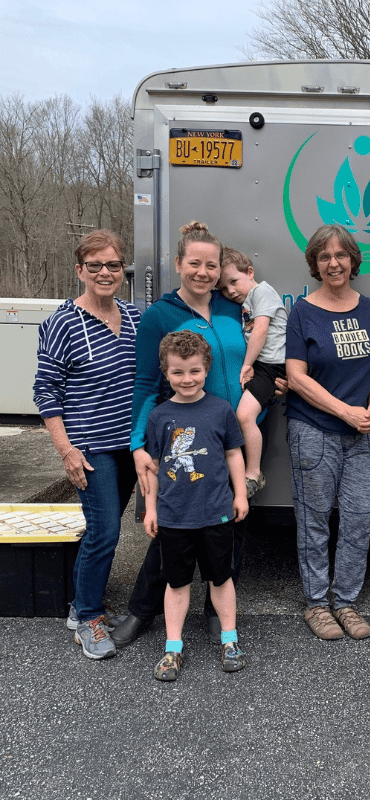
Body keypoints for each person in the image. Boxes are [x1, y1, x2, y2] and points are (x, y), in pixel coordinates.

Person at [112, 221, 249, 648]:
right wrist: (138, 443)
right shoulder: (159, 316)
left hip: (229, 432)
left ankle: (216, 615)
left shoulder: (230, 308)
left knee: (227, 529)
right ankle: (142, 610)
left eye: (211, 265)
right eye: (194, 263)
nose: (203, 272)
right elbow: (145, 383)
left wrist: (265, 387)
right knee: (172, 533)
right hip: (180, 438)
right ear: (178, 264)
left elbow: (254, 354)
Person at [33, 229, 140, 660]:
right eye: (94, 266)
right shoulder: (61, 322)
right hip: (90, 447)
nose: (104, 273)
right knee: (105, 531)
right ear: (79, 271)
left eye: (113, 265)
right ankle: (89, 618)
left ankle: (81, 606)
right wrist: (66, 450)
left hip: (128, 445)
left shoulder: (133, 317)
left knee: (102, 529)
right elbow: (46, 391)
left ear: (122, 270)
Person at [285, 224, 370, 641]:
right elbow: (295, 376)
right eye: (324, 256)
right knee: (314, 520)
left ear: (353, 261)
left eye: (341, 255)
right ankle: (317, 605)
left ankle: (345, 601)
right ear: (315, 264)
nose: (333, 263)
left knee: (359, 519)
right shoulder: (303, 311)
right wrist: (345, 411)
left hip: (363, 433)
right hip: (314, 430)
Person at [143, 332, 249, 681]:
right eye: (177, 372)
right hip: (174, 517)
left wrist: (240, 494)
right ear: (166, 372)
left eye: (194, 371)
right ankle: (173, 647)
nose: (186, 379)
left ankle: (229, 640)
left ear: (206, 369)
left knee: (221, 578)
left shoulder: (220, 410)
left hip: (215, 512)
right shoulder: (160, 416)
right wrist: (151, 508)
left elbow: (234, 454)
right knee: (177, 583)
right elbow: (154, 466)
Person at [217, 247, 288, 498]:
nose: (231, 291)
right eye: (224, 288)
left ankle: (254, 473)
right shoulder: (248, 299)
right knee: (245, 417)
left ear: (250, 271)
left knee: (245, 416)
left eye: (234, 282)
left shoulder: (262, 292)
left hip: (270, 367)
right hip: (263, 366)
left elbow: (260, 331)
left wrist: (247, 364)